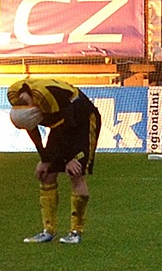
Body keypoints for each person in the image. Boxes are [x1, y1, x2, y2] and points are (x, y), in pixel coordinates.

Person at [7, 76, 102, 244]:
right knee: (47, 174)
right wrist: (44, 158)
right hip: (60, 124)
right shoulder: (14, 95)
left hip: (81, 121)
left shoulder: (46, 97)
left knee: (75, 172)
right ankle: (48, 231)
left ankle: (76, 232)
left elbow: (66, 125)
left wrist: (69, 159)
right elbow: (32, 128)